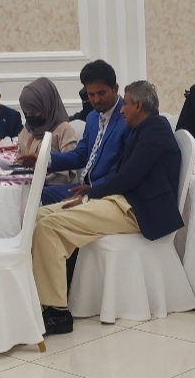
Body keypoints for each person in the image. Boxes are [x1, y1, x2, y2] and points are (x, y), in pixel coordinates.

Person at [31, 80, 183, 334]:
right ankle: (39, 298)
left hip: (137, 210)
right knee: (40, 215)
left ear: (138, 105)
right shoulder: (141, 129)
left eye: (126, 104)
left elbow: (129, 176)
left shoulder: (155, 128)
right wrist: (91, 193)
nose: (121, 110)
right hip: (122, 201)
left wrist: (92, 194)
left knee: (50, 226)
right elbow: (121, 173)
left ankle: (57, 312)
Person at [33, 60, 128, 205]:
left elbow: (124, 169)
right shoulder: (92, 117)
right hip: (82, 188)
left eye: (101, 93)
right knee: (31, 196)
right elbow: (81, 155)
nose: (96, 100)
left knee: (41, 207)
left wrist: (93, 190)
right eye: (91, 94)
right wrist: (43, 159)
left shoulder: (127, 118)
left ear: (115, 89)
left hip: (108, 193)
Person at [16, 77, 80, 184]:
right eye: (26, 113)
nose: (29, 117)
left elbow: (67, 171)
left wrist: (38, 181)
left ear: (46, 107)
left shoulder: (63, 130)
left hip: (54, 188)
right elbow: (21, 157)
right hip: (29, 185)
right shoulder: (28, 129)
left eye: (33, 113)